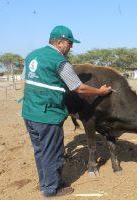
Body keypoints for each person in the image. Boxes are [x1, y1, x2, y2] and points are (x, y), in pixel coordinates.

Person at [22, 25, 112, 197]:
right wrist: (100, 92)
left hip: (29, 113)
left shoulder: (32, 56)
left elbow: (25, 81)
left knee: (40, 151)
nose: (71, 47)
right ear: (59, 42)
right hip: (47, 115)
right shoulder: (60, 61)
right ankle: (52, 189)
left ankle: (45, 183)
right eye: (69, 43)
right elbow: (79, 88)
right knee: (53, 153)